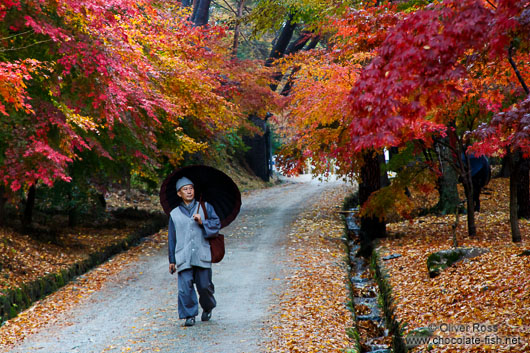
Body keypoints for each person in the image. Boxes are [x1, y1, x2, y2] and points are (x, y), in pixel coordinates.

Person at [168, 176, 221, 327]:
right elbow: (172, 238)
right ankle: (189, 315)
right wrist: (172, 260)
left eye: (191, 188)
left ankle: (208, 306)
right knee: (185, 288)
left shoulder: (205, 207)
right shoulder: (174, 214)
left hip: (202, 254)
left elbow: (216, 225)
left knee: (205, 286)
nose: (189, 191)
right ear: (179, 193)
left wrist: (202, 222)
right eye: (185, 189)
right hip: (183, 255)